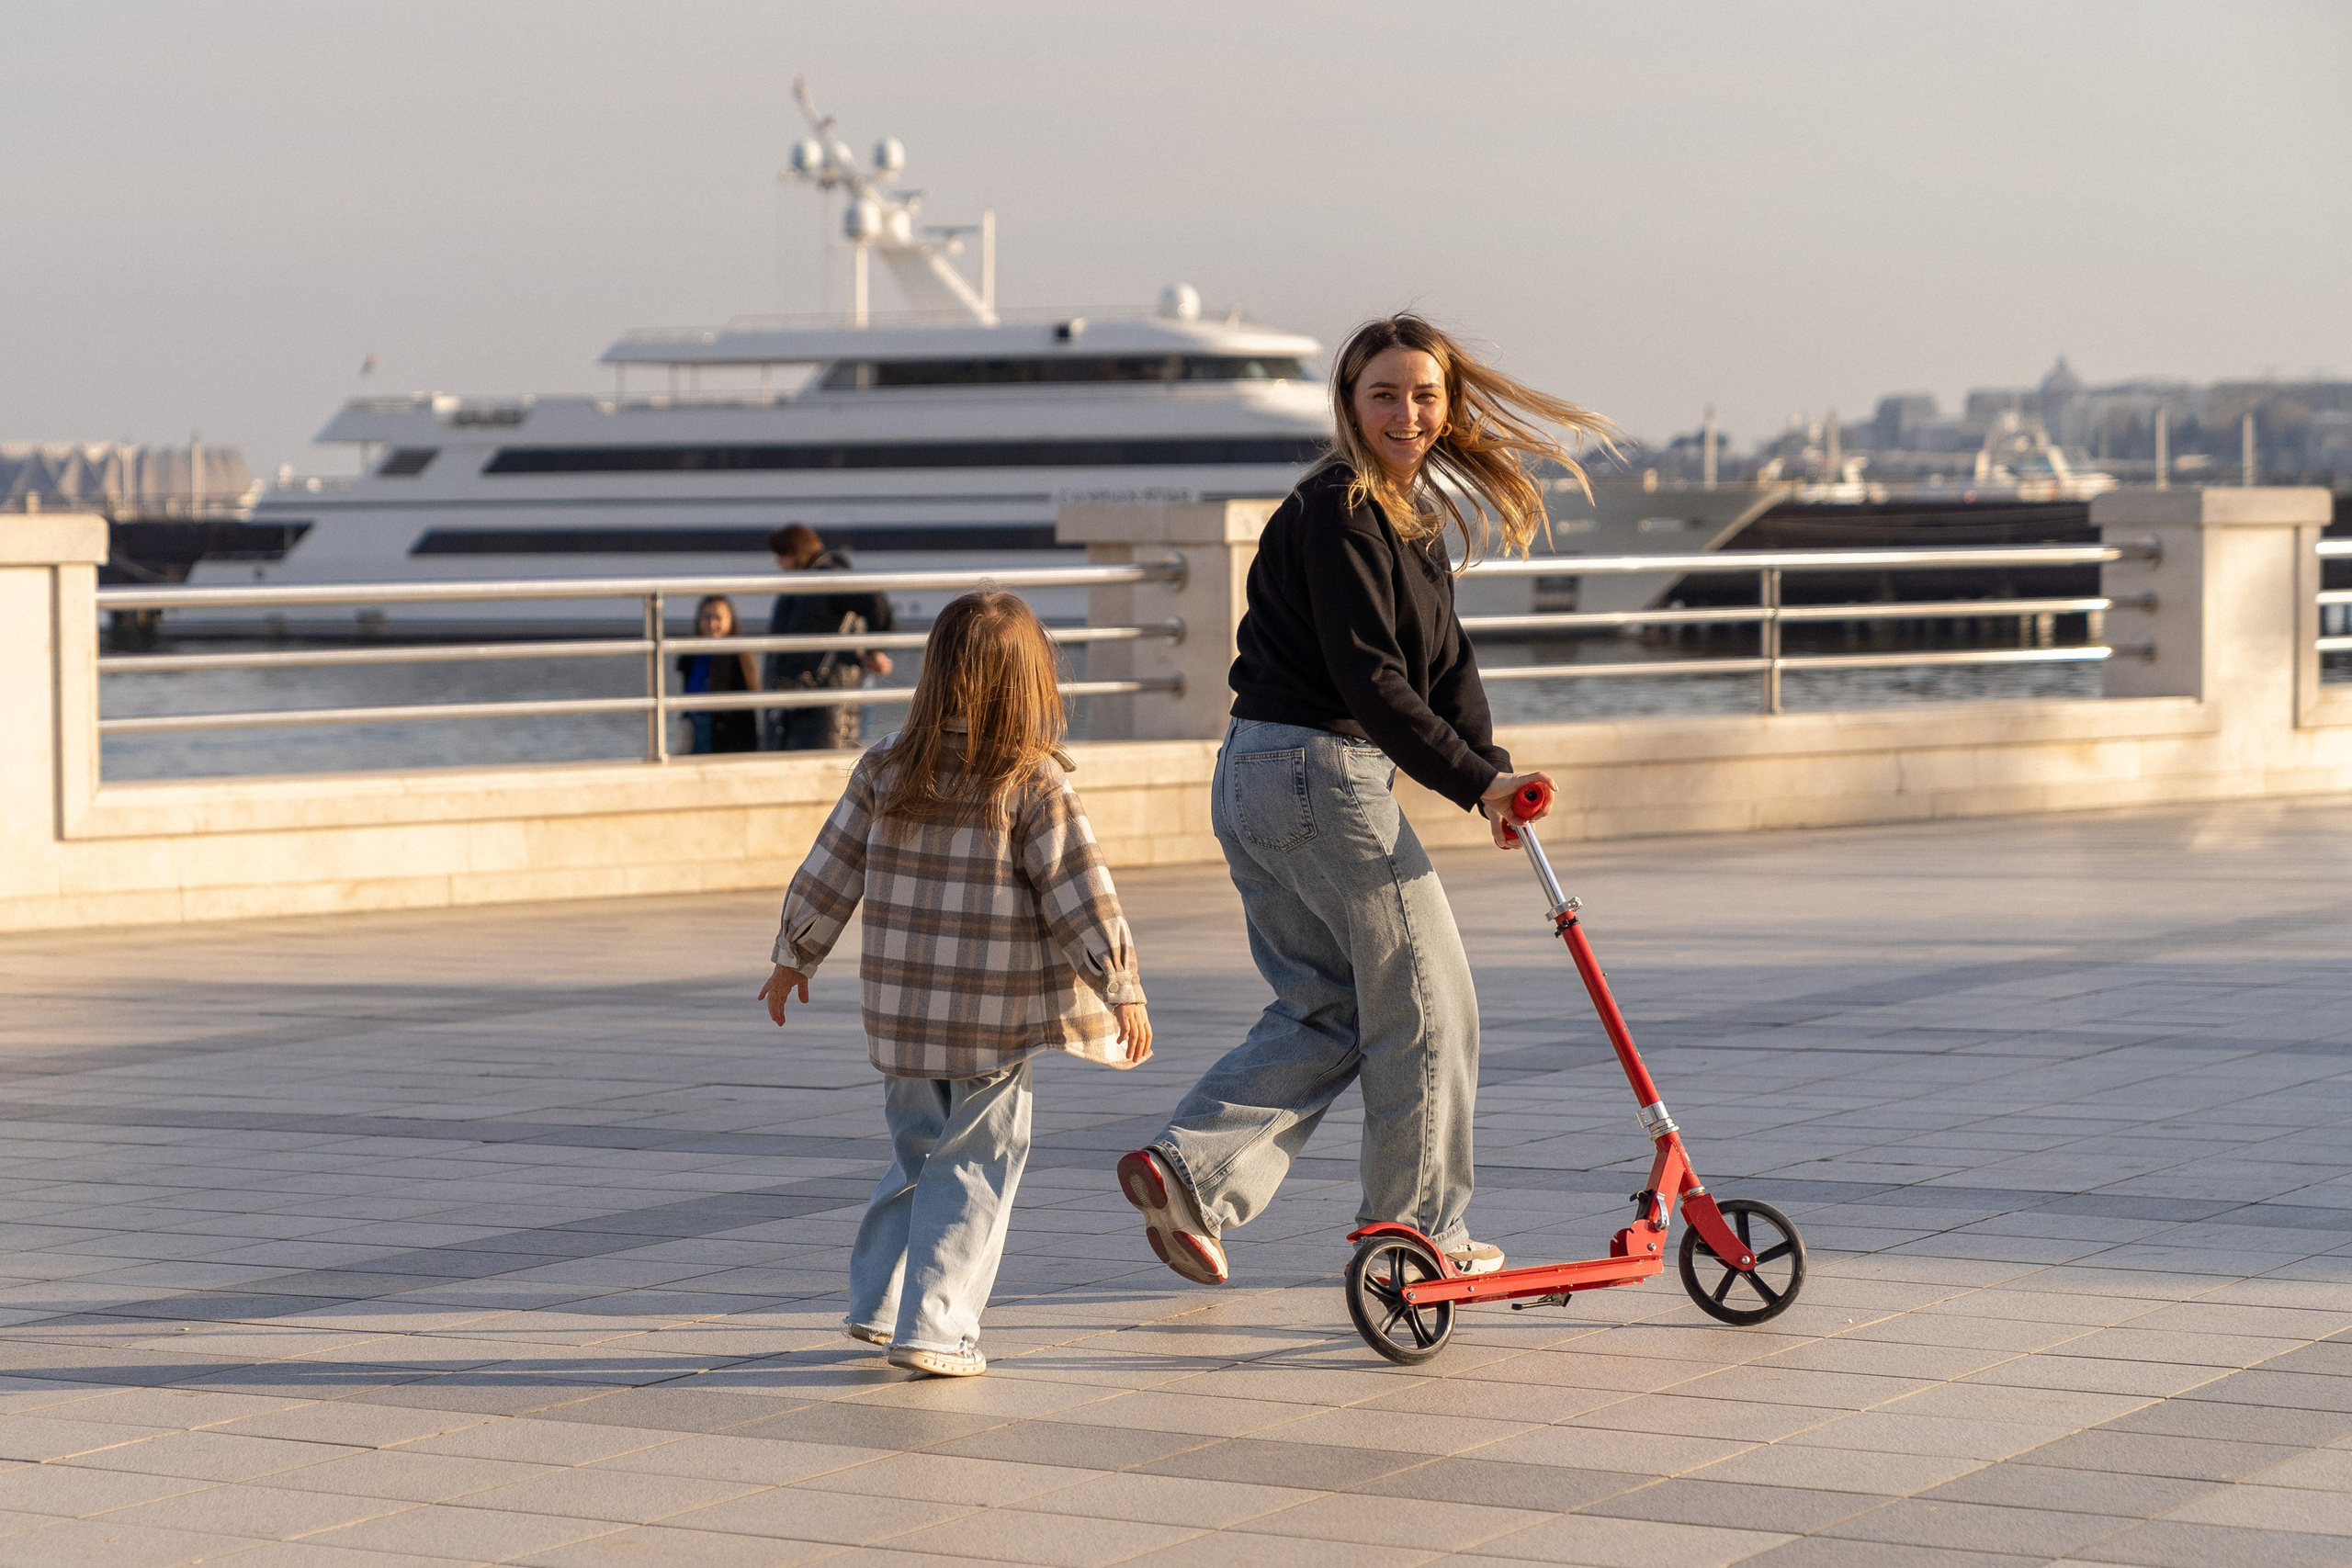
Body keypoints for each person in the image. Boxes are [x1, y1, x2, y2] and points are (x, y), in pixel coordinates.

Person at [1118, 313, 1617, 1287]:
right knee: (1430, 1011)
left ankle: (1191, 1170)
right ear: (1347, 403)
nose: (1406, 412)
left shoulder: (1400, 515)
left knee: (1332, 1006)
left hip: (1257, 775)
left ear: (1447, 404)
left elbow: (1445, 671)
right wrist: (1474, 780)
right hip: (1315, 777)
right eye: (1383, 393)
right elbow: (1371, 682)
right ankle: (1421, 1228)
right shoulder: (1342, 510)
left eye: (1423, 394)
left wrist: (1491, 775)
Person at [758, 590, 1154, 1378]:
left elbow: (830, 867)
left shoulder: (886, 769)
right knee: (976, 1166)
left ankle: (879, 1302)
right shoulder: (1030, 781)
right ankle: (936, 1327)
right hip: (991, 1024)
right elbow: (1080, 888)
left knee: (915, 1156)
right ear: (1030, 683)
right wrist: (1121, 984)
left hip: (904, 1018)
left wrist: (794, 954)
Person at [765, 524, 898, 751]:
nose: (779, 563)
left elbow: (876, 602)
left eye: (783, 555)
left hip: (826, 701)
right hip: (807, 700)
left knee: (823, 764)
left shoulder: (826, 579)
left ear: (796, 553)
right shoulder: (808, 582)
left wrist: (874, 650)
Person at [676, 595, 761, 754]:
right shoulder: (689, 656)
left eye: (718, 618)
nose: (712, 624)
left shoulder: (739, 657)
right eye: (706, 617)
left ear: (730, 621)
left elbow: (747, 713)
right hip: (695, 727)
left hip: (725, 735)